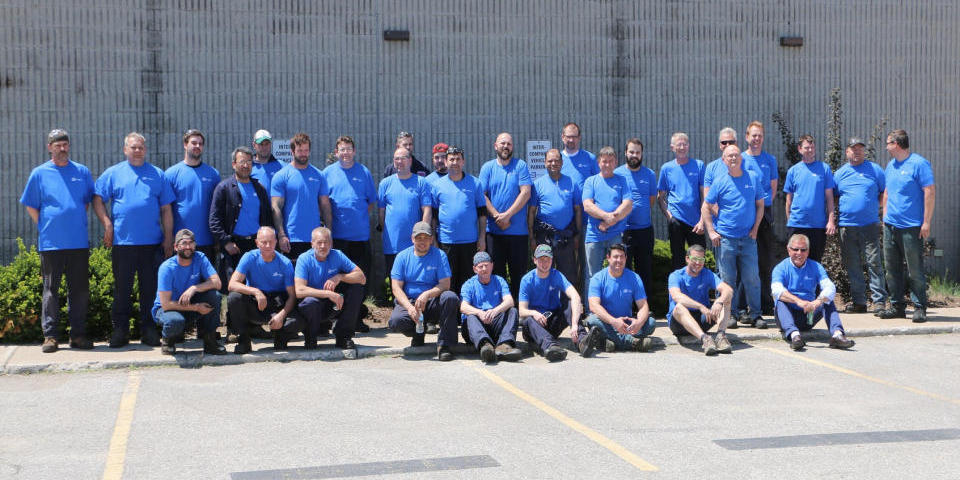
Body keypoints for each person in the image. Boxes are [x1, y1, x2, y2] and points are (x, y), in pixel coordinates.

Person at [93, 132, 174, 348]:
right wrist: (107, 224)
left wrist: (168, 237)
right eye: (133, 147)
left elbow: (166, 209)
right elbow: (98, 199)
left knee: (150, 289)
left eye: (141, 147)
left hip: (151, 244)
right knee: (122, 290)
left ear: (145, 149)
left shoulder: (158, 174)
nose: (137, 150)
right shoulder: (113, 173)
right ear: (125, 149)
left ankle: (148, 330)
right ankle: (120, 331)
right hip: (123, 244)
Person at [19, 129, 95, 352]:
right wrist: (44, 226)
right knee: (51, 290)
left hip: (78, 243)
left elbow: (86, 202)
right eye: (57, 145)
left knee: (80, 290)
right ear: (49, 147)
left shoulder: (81, 171)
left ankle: (78, 335)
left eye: (65, 144)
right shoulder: (39, 174)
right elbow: (31, 205)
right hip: (51, 244)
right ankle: (51, 336)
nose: (62, 148)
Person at [701, 144, 766, 328]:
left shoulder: (752, 178)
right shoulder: (720, 181)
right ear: (723, 160)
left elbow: (760, 205)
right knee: (728, 279)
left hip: (748, 238)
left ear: (741, 158)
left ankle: (755, 315)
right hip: (726, 239)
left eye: (736, 155)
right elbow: (705, 207)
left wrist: (755, 228)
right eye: (729, 156)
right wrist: (712, 231)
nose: (733, 158)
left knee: (752, 277)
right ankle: (731, 314)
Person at [878, 129, 935, 322]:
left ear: (897, 144)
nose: (886, 147)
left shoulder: (919, 164)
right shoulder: (890, 165)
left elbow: (929, 192)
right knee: (892, 269)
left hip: (911, 227)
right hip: (890, 226)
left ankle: (919, 307)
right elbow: (886, 192)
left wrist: (926, 222)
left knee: (914, 269)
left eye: (888, 143)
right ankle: (897, 306)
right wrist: (885, 217)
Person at [324, 136, 376, 332]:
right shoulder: (327, 173)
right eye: (342, 149)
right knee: (338, 282)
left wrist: (358, 217)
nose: (345, 153)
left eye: (349, 149)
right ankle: (338, 318)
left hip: (360, 237)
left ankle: (355, 319)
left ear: (354, 151)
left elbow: (371, 202)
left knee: (360, 280)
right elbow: (323, 203)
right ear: (336, 152)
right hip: (337, 238)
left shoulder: (364, 172)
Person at [388, 221, 461, 361]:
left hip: (433, 300)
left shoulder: (440, 255)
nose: (422, 241)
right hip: (410, 301)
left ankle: (445, 345)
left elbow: (445, 284)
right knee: (396, 321)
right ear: (412, 239)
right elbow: (396, 287)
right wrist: (409, 307)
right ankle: (418, 333)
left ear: (431, 239)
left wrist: (427, 294)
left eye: (426, 238)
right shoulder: (402, 257)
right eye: (418, 238)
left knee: (450, 297)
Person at [772, 234, 856, 351]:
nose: (799, 253)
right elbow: (776, 290)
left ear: (808, 251)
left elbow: (830, 287)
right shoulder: (780, 268)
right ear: (788, 249)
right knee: (780, 300)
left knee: (828, 299)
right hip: (787, 315)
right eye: (795, 249)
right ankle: (794, 336)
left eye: (803, 250)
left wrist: (817, 302)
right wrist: (798, 302)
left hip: (808, 313)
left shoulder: (816, 266)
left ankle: (837, 335)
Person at [150, 229, 226, 355]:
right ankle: (168, 341)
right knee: (175, 321)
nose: (188, 246)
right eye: (184, 243)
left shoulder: (200, 258)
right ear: (175, 247)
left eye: (191, 243)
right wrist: (196, 307)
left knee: (214, 296)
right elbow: (166, 304)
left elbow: (217, 283)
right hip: (166, 309)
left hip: (187, 303)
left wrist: (194, 288)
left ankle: (210, 341)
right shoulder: (167, 268)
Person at [834, 137, 888, 313]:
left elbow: (884, 192)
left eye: (860, 148)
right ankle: (859, 302)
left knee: (874, 262)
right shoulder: (840, 174)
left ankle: (879, 302)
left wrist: (872, 207)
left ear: (864, 151)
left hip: (869, 224)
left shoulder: (875, 170)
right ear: (847, 152)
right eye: (853, 148)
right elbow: (834, 197)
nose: (857, 151)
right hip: (847, 226)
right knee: (853, 265)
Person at [518, 244, 598, 361]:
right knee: (528, 319)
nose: (545, 263)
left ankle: (582, 341)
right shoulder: (527, 280)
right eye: (541, 260)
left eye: (548, 260)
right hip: (534, 326)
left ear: (552, 260)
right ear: (534, 260)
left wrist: (574, 324)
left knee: (569, 304)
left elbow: (575, 296)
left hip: (552, 322)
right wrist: (534, 313)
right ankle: (551, 347)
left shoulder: (556, 275)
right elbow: (521, 310)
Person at [227, 227, 300, 354]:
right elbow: (232, 284)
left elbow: (292, 296)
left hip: (277, 304)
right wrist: (255, 292)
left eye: (271, 242)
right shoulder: (249, 257)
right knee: (234, 297)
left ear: (276, 242)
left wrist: (281, 316)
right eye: (263, 242)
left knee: (295, 322)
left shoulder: (285, 263)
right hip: (257, 303)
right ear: (257, 243)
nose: (267, 245)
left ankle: (280, 336)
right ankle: (243, 339)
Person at [209, 146, 274, 288]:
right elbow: (214, 221)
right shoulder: (224, 188)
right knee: (235, 290)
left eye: (249, 162)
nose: (246, 165)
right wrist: (226, 242)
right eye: (242, 161)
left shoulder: (260, 188)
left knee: (257, 286)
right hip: (234, 247)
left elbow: (267, 219)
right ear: (234, 164)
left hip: (256, 246)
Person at [294, 227, 366, 350]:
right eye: (319, 242)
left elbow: (362, 278)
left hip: (332, 303)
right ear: (312, 244)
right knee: (310, 302)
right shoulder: (304, 259)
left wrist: (340, 277)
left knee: (357, 289)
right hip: (313, 305)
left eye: (326, 242)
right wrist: (327, 293)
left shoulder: (337, 255)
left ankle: (343, 337)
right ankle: (310, 337)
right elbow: (299, 290)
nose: (323, 246)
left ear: (331, 243)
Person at [481, 132, 532, 298]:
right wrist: (497, 216)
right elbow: (482, 195)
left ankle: (519, 311)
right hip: (494, 232)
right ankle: (500, 312)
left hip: (518, 232)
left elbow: (526, 193)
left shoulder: (521, 166)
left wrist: (507, 216)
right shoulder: (487, 168)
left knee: (519, 275)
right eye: (502, 143)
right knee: (497, 274)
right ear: (495, 146)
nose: (506, 147)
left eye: (509, 144)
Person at [431, 146, 486, 294]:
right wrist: (434, 240)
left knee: (468, 282)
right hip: (446, 243)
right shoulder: (437, 185)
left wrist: (482, 238)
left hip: (470, 243)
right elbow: (433, 216)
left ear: (463, 162)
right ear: (446, 162)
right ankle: (451, 316)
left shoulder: (475, 183)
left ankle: (466, 316)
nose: (454, 162)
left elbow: (482, 214)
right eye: (451, 159)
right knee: (448, 282)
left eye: (458, 159)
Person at [378, 147, 432, 297]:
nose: (399, 162)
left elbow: (427, 210)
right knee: (396, 279)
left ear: (410, 160)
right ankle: (399, 313)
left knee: (416, 280)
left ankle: (419, 312)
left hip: (414, 243)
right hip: (392, 244)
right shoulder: (385, 184)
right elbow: (381, 212)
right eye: (396, 159)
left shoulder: (422, 182)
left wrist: (422, 235)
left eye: (402, 158)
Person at [270, 132, 332, 260]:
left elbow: (325, 206)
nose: (303, 154)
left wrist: (328, 235)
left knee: (314, 279)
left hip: (315, 239)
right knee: (293, 279)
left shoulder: (319, 175)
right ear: (292, 151)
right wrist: (281, 235)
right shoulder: (281, 176)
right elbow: (276, 207)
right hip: (291, 238)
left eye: (306, 150)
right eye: (300, 150)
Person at [585, 243, 656, 352]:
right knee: (592, 320)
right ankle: (633, 342)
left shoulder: (634, 278)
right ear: (608, 258)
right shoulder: (598, 278)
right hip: (607, 322)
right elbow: (593, 306)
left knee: (650, 322)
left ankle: (607, 342)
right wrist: (614, 322)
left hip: (626, 324)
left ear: (626, 258)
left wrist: (639, 322)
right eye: (615, 257)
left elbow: (643, 306)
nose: (619, 260)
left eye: (622, 256)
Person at [527, 148, 582, 288]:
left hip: (566, 236)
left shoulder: (572, 182)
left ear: (562, 162)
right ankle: (545, 306)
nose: (553, 163)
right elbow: (532, 211)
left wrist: (577, 235)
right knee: (544, 273)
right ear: (545, 163)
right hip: (544, 237)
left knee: (568, 274)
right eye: (550, 160)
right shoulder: (537, 184)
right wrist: (532, 237)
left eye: (557, 160)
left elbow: (578, 210)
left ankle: (568, 308)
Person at [740, 121, 779, 315]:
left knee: (764, 261)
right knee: (744, 261)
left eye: (760, 136)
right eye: (753, 135)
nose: (756, 139)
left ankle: (765, 303)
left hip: (764, 215)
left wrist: (761, 210)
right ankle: (740, 305)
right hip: (744, 215)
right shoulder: (739, 159)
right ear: (746, 137)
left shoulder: (769, 160)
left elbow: (772, 190)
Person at [667, 245, 734, 355]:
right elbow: (676, 296)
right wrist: (700, 306)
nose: (698, 263)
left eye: (701, 260)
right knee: (679, 307)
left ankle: (720, 336)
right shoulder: (676, 275)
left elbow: (728, 290)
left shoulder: (707, 274)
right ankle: (704, 339)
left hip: (703, 318)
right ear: (687, 258)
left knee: (727, 298)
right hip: (679, 323)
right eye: (695, 259)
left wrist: (719, 301)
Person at [581, 146, 632, 292]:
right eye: (604, 161)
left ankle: (613, 309)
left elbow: (628, 205)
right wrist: (607, 217)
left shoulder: (622, 180)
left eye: (610, 161)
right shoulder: (591, 181)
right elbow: (587, 206)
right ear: (598, 162)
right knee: (592, 275)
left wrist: (609, 222)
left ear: (615, 162)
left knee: (617, 272)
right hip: (594, 236)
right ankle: (591, 311)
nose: (607, 164)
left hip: (615, 236)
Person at [459, 251, 523, 363]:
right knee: (470, 317)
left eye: (486, 265)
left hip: (494, 321)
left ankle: (504, 345)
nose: (484, 268)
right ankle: (485, 347)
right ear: (475, 269)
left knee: (513, 311)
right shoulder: (468, 285)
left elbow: (509, 301)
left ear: (492, 266)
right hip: (475, 328)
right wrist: (479, 313)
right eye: (480, 266)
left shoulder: (499, 280)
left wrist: (495, 310)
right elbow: (463, 307)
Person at [165, 129, 220, 260]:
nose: (197, 146)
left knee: (208, 280)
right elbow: (165, 210)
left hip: (206, 240)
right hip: (181, 242)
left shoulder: (213, 174)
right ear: (185, 145)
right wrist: (168, 237)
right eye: (193, 143)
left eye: (200, 144)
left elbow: (218, 208)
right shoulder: (171, 174)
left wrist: (218, 239)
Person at [783, 134, 836, 262]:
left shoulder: (824, 169)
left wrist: (831, 220)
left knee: (815, 261)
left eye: (812, 147)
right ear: (800, 149)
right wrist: (790, 221)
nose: (810, 150)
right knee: (796, 261)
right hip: (797, 224)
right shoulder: (793, 171)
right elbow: (788, 200)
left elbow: (829, 197)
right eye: (807, 148)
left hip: (817, 225)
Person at [657, 132, 706, 270]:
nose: (682, 147)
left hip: (696, 223)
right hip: (676, 221)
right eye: (679, 144)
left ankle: (698, 291)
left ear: (689, 146)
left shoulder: (699, 165)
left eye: (685, 144)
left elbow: (704, 196)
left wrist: (702, 221)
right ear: (672, 147)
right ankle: (676, 291)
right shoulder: (666, 168)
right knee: (677, 259)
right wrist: (670, 217)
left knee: (698, 259)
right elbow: (660, 197)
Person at [615, 138, 657, 289]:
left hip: (644, 230)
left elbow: (652, 200)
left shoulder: (650, 174)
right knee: (623, 270)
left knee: (645, 270)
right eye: (631, 152)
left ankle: (645, 309)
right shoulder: (617, 174)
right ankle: (625, 308)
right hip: (622, 230)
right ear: (626, 152)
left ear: (642, 154)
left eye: (637, 152)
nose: (634, 155)